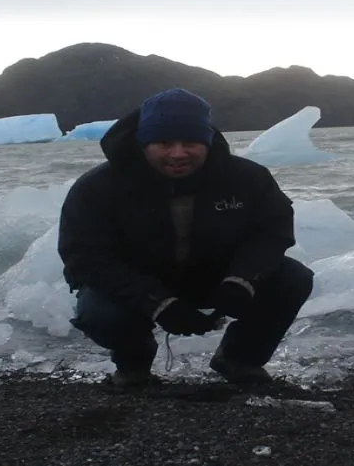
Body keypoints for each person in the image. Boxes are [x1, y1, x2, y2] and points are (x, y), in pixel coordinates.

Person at [57, 88, 314, 387]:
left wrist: (243, 279)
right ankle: (133, 362)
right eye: (164, 143)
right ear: (143, 143)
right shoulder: (96, 188)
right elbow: (85, 257)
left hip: (217, 279)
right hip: (137, 285)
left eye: (190, 142)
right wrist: (157, 302)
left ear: (206, 141)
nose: (178, 153)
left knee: (293, 278)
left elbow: (273, 232)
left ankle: (240, 359)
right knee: (101, 312)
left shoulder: (248, 179)